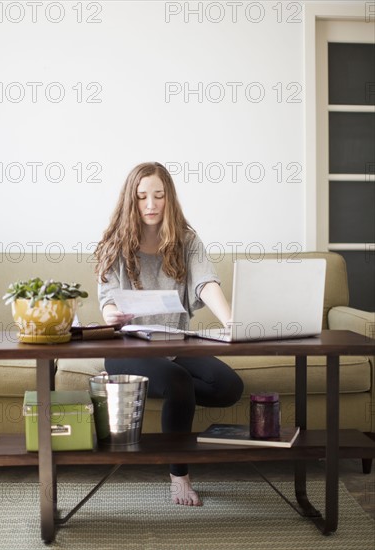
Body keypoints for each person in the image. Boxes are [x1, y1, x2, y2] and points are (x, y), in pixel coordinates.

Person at [94, 162, 244, 506]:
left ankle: (166, 393)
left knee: (228, 387)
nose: (151, 204)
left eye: (158, 196)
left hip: (175, 343)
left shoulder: (187, 239)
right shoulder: (115, 242)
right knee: (177, 381)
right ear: (131, 200)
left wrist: (231, 320)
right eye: (143, 196)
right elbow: (106, 299)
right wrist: (112, 314)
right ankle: (179, 477)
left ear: (169, 198)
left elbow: (205, 282)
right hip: (128, 347)